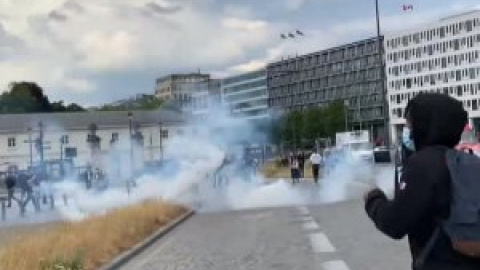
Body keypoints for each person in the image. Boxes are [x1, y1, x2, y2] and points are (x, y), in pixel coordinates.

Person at [364, 93, 480, 269]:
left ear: (426, 125)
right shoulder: (470, 162)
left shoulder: (423, 165)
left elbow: (395, 223)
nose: (407, 129)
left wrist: (373, 199)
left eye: (410, 124)